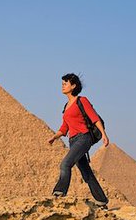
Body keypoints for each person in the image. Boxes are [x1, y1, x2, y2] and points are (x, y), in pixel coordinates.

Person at [46, 73, 110, 208]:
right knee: (86, 172)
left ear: (73, 86)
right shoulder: (66, 106)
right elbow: (64, 128)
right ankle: (102, 201)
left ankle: (59, 192)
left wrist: (104, 134)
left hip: (83, 138)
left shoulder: (82, 101)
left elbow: (94, 118)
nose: (62, 86)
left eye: (65, 83)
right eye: (62, 83)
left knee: (65, 164)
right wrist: (54, 137)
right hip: (73, 141)